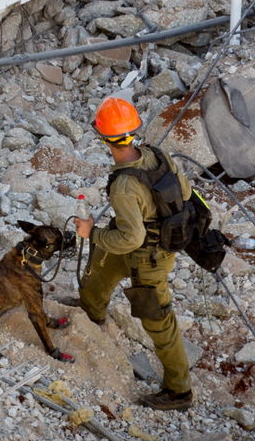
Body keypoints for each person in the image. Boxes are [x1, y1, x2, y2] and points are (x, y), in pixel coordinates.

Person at [73, 97, 194, 411]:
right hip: (152, 243)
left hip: (147, 259)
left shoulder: (124, 185)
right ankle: (90, 313)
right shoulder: (157, 154)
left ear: (104, 139)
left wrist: (93, 233)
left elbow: (132, 236)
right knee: (100, 272)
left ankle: (179, 392)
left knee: (159, 321)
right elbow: (186, 192)